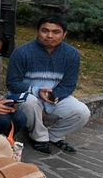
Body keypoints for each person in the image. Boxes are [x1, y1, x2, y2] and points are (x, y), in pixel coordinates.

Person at [7, 15, 91, 154]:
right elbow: (12, 83)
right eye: (45, 31)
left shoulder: (71, 55)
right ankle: (39, 137)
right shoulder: (22, 53)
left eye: (56, 32)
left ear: (64, 34)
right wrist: (37, 91)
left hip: (54, 97)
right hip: (27, 96)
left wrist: (53, 95)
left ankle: (54, 136)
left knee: (82, 112)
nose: (49, 35)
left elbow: (69, 84)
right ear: (38, 31)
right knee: (31, 102)